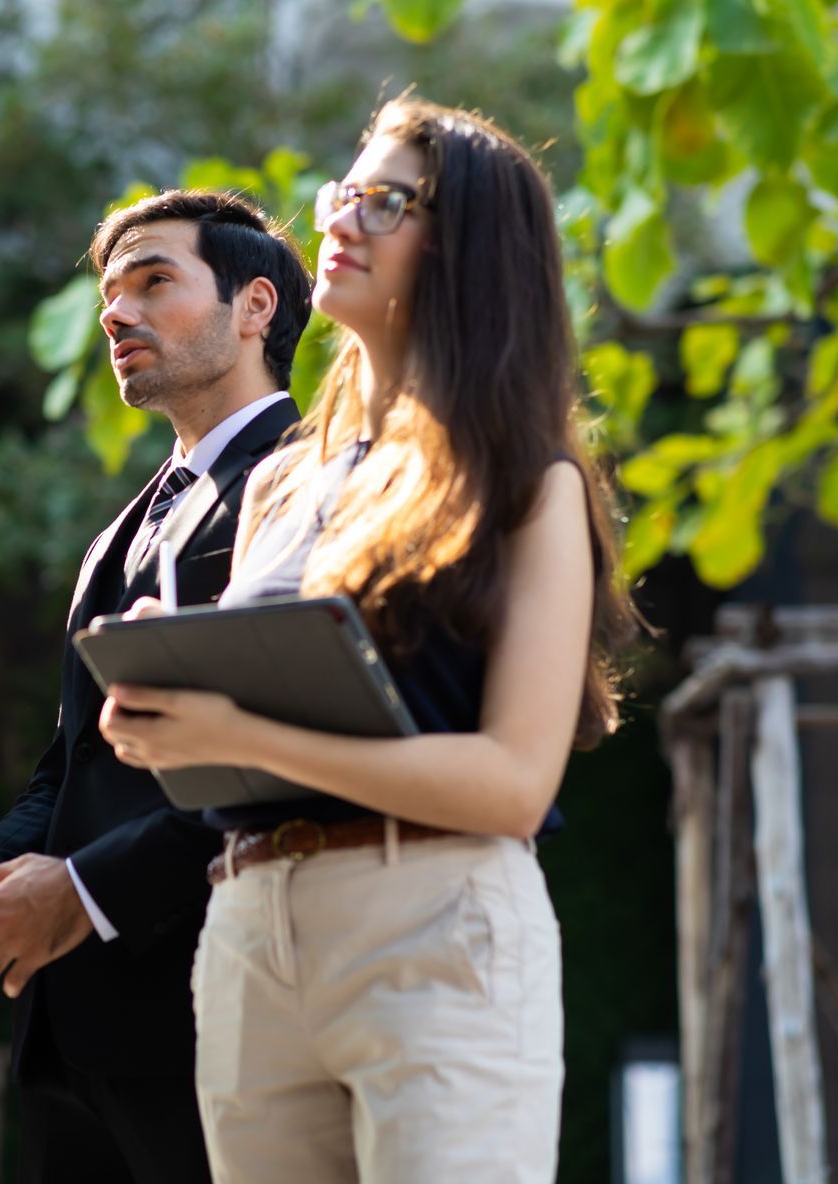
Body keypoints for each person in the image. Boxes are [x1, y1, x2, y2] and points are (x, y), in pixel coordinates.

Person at [97, 99, 636, 1183]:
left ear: (470, 248)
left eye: (386, 200)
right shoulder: (285, 479)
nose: (340, 218)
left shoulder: (529, 479)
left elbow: (512, 783)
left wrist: (238, 724)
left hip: (435, 919)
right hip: (251, 922)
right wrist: (174, 697)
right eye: (345, 193)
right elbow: (260, 723)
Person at [0, 190, 312, 1183]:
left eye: (154, 282)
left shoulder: (309, 484)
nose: (115, 313)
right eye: (107, 294)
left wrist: (85, 891)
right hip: (75, 1044)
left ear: (255, 306)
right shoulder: (119, 529)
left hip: (228, 1018)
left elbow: (291, 760)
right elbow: (69, 768)